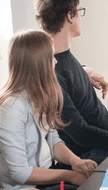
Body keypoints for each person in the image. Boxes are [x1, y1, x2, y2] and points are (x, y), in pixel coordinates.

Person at [34, 0, 108, 162]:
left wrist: (83, 71)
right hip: (96, 150)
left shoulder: (62, 55)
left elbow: (68, 75)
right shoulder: (53, 74)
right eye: (79, 11)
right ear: (70, 16)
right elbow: (81, 134)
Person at [0, 30, 97, 190]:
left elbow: (53, 141)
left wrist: (76, 162)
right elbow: (21, 173)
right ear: (39, 64)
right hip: (28, 186)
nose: (55, 62)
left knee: (102, 166)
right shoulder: (11, 109)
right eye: (51, 57)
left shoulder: (39, 95)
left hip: (48, 175)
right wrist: (69, 175)